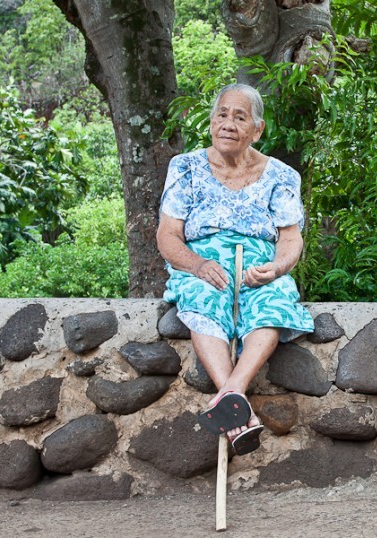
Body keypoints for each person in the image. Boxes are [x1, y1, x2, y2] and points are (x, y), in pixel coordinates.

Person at [157, 83, 314, 455]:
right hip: (204, 267)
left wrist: (276, 268)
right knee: (202, 297)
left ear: (257, 129)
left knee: (274, 301)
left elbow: (291, 239)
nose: (228, 123)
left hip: (257, 268)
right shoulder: (186, 168)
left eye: (239, 117)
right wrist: (197, 264)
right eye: (222, 115)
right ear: (211, 122)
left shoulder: (281, 176)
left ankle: (230, 395)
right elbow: (167, 235)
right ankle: (238, 407)